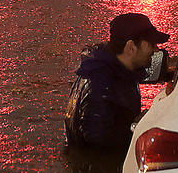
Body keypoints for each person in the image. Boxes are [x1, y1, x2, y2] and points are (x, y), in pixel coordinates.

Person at [64, 13, 170, 151]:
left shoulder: (120, 70)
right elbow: (98, 143)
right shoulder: (101, 87)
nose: (156, 49)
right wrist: (139, 127)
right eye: (151, 44)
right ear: (131, 47)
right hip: (102, 168)